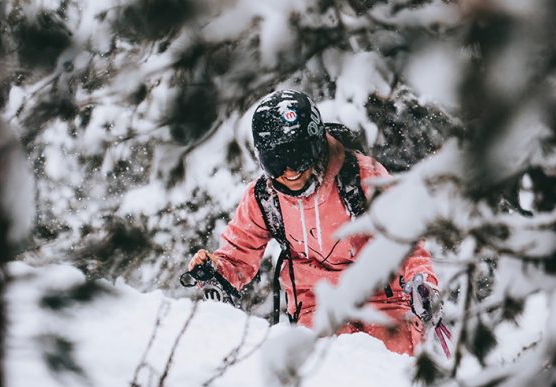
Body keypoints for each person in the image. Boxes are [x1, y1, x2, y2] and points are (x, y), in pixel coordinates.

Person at [186, 89, 443, 355]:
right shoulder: (264, 198)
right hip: (316, 309)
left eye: (298, 156)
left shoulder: (361, 177)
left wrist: (420, 280)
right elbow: (238, 254)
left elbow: (404, 238)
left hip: (381, 301)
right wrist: (217, 271)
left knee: (390, 374)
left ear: (316, 144)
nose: (290, 171)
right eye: (276, 162)